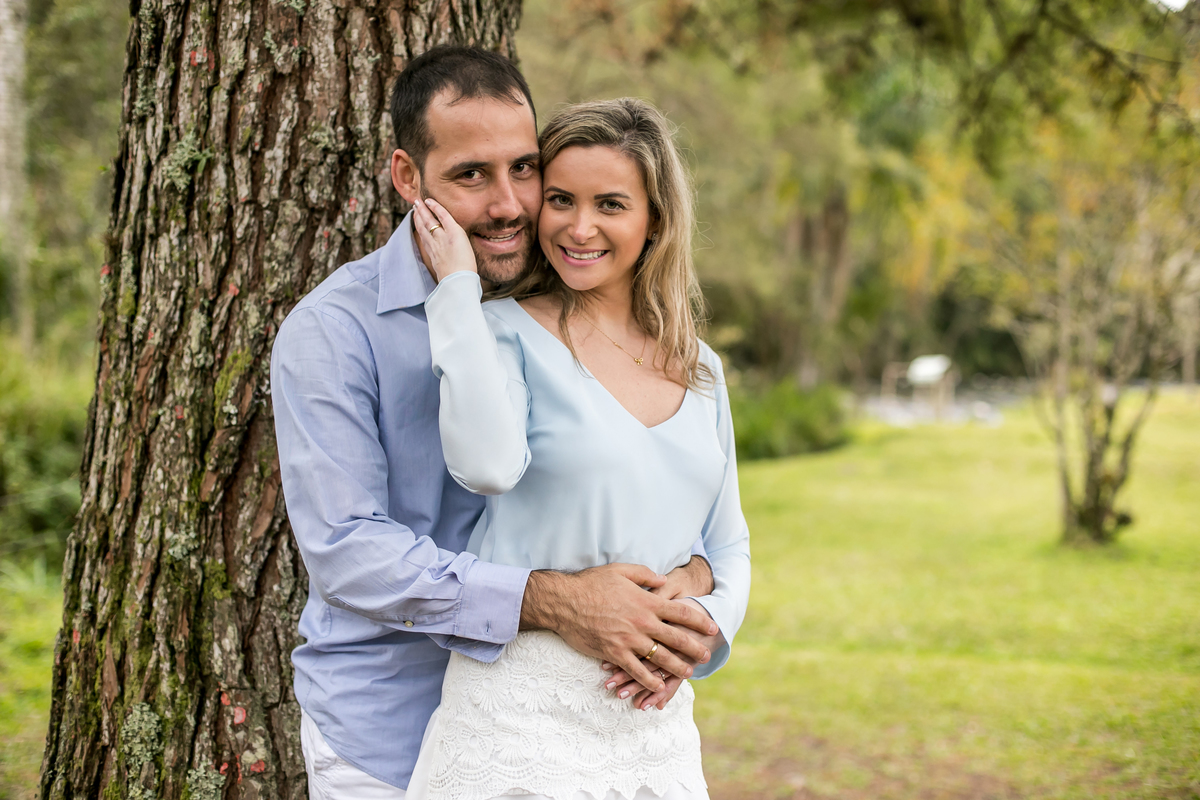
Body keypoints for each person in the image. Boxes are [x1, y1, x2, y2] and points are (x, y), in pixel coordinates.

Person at [271, 47, 733, 799]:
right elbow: (348, 551)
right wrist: (554, 600)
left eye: (524, 168)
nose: (510, 204)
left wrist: (691, 582)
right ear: (408, 177)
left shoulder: (576, 308)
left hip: (579, 720)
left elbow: (654, 487)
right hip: (386, 727)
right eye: (471, 176)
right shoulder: (335, 332)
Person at [405, 97, 751, 800]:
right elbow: (487, 467)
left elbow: (729, 544)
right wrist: (457, 292)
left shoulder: (701, 368)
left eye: (610, 204)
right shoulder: (502, 330)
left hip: (651, 728)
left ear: (655, 220)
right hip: (519, 718)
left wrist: (700, 623)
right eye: (561, 199)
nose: (579, 227)